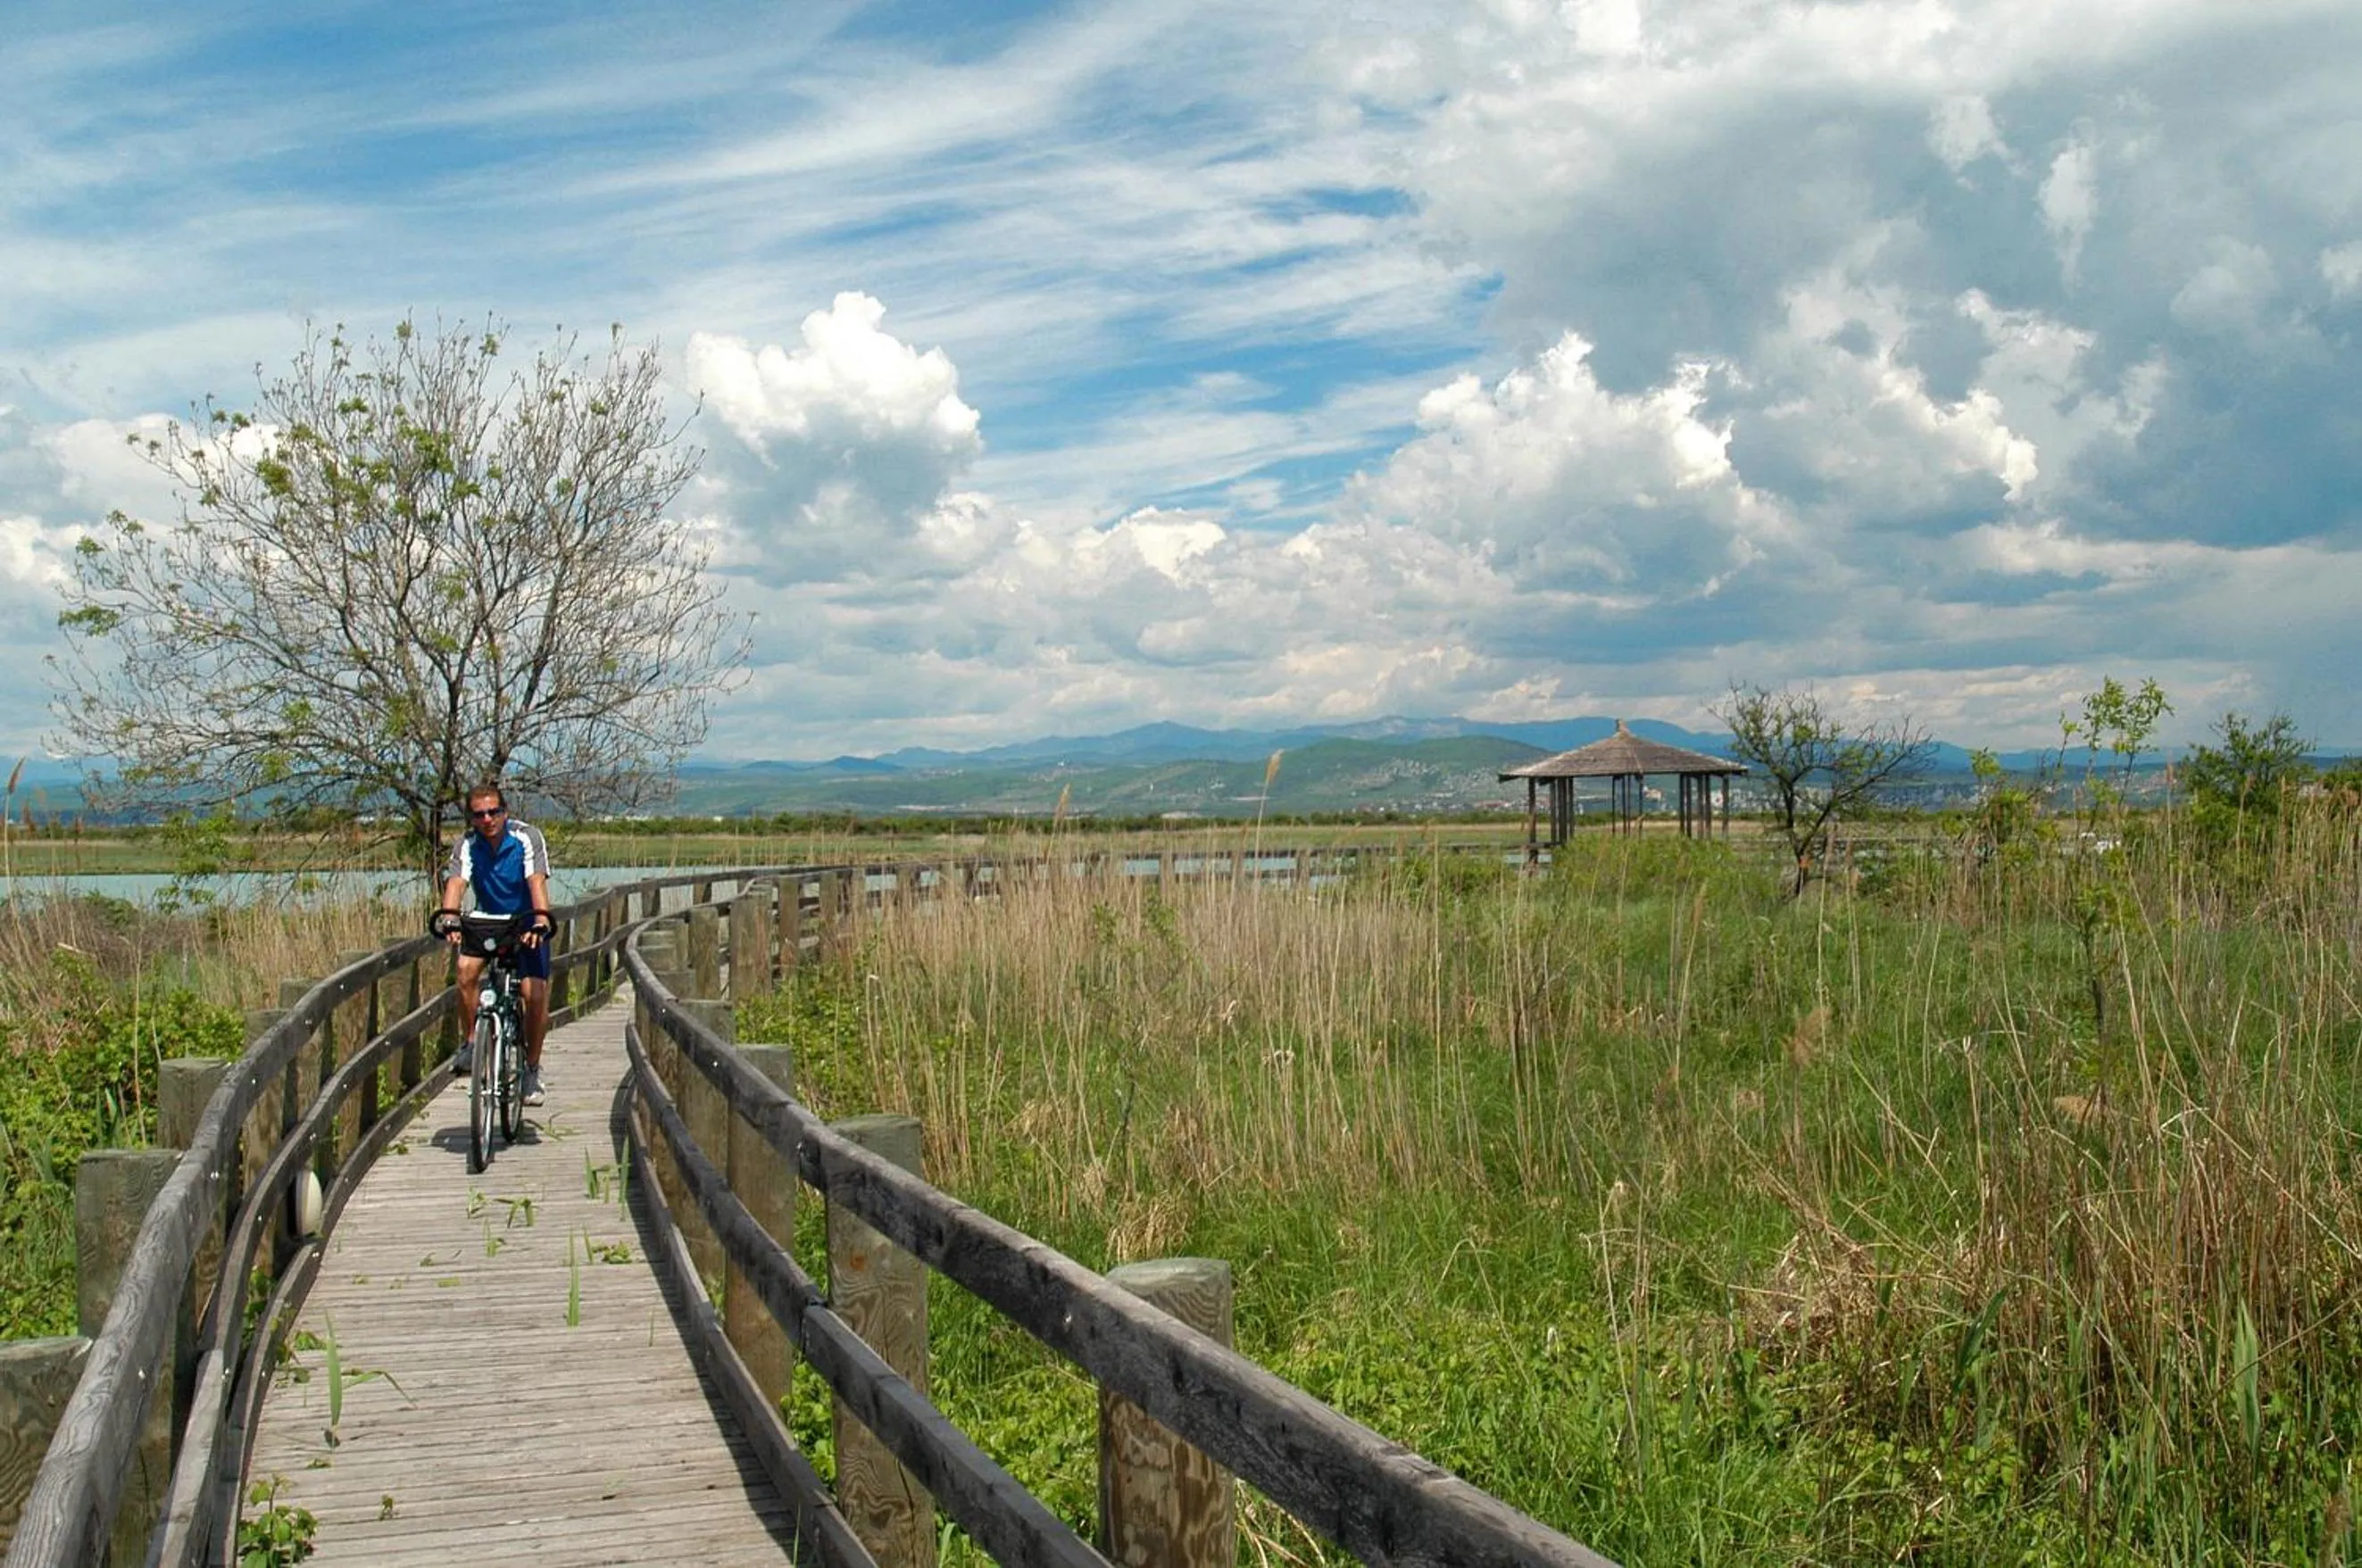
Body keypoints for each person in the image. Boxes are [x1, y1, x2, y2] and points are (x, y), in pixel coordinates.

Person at [438, 784, 554, 1106]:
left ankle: (531, 1069)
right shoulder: (467, 844)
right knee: (464, 971)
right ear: (471, 818)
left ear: (505, 811)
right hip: (488, 919)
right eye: (479, 814)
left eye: (494, 812)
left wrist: (541, 921)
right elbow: (456, 884)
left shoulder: (526, 838)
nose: (488, 819)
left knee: (535, 994)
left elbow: (536, 882)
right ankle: (472, 1044)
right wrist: (449, 918)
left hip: (526, 919)